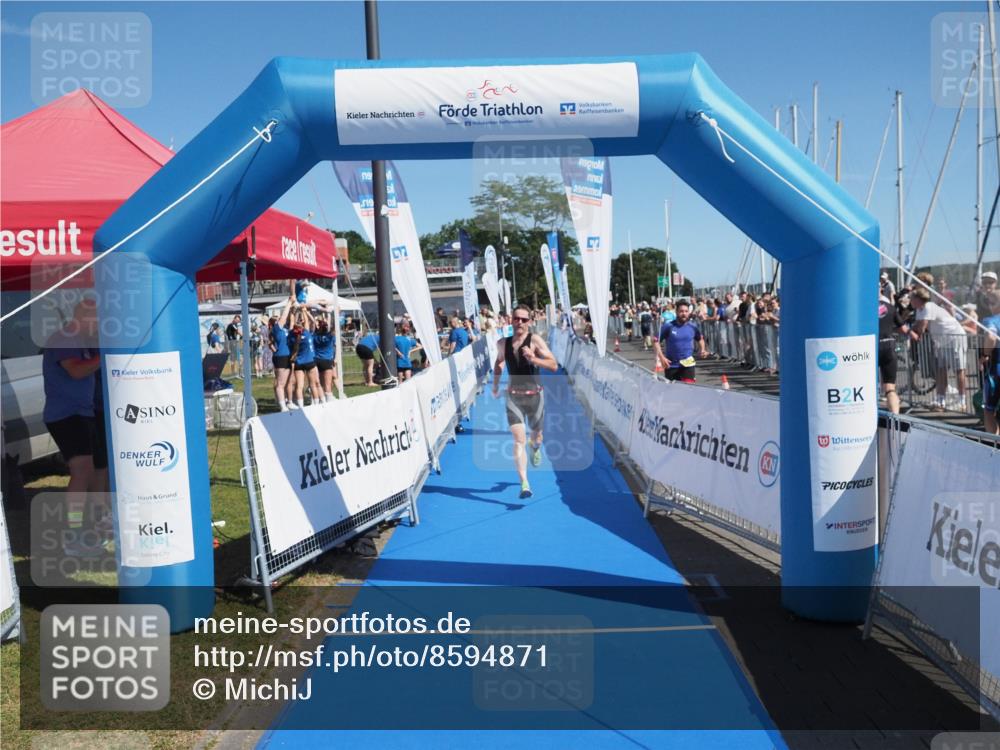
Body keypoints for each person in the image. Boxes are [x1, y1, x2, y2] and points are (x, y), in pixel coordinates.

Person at [43, 298, 103, 556]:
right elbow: (76, 371)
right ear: (84, 316)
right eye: (97, 318)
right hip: (66, 415)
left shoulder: (81, 341)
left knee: (93, 470)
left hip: (83, 413)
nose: (99, 324)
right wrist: (104, 355)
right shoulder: (64, 339)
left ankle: (92, 525)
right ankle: (73, 536)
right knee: (81, 471)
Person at [491, 304, 559, 499]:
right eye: (516, 319)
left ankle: (535, 447)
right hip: (513, 396)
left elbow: (554, 365)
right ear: (510, 320)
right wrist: (495, 385)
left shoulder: (535, 340)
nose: (519, 322)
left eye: (524, 319)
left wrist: (534, 359)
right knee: (518, 440)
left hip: (535, 396)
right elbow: (499, 362)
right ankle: (524, 484)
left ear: (530, 321)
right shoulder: (502, 343)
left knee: (537, 437)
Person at [911, 287, 968, 411]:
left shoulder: (928, 306)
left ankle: (962, 401)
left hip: (954, 337)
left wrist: (910, 331)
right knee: (940, 370)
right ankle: (940, 401)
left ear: (918, 299)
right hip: (941, 341)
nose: (910, 300)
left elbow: (921, 327)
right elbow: (917, 326)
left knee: (959, 370)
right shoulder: (919, 310)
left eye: (912, 298)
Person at [878, 285, 913, 415]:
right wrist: (916, 336)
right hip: (889, 347)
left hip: (872, 349)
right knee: (890, 388)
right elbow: (904, 329)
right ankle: (896, 417)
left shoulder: (864, 308)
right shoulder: (890, 307)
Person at [654, 299, 707, 382]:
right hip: (672, 365)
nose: (684, 314)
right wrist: (662, 357)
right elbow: (655, 341)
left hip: (688, 365)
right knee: (673, 389)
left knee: (688, 388)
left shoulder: (692, 327)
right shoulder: (668, 326)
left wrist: (702, 350)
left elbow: (700, 339)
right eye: (681, 311)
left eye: (686, 311)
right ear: (676, 312)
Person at [978, 291, 1000, 434]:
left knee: (989, 410)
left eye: (992, 303)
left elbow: (991, 337)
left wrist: (985, 354)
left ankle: (994, 442)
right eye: (988, 303)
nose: (990, 306)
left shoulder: (990, 320)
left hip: (996, 370)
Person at [269, 299, 296, 411]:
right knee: (280, 383)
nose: (279, 319)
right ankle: (282, 406)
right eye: (277, 319)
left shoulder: (284, 330)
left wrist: (293, 311)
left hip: (287, 356)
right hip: (281, 357)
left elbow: (292, 323)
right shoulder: (276, 329)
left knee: (289, 381)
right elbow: (284, 317)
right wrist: (289, 302)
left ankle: (289, 402)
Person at [313, 312, 337, 401]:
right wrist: (335, 314)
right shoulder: (330, 336)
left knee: (320, 382)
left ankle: (321, 399)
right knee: (328, 383)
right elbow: (335, 328)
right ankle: (329, 399)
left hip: (317, 361)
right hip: (327, 361)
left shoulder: (315, 336)